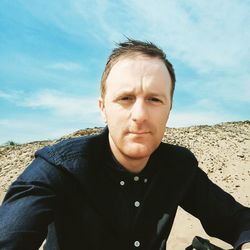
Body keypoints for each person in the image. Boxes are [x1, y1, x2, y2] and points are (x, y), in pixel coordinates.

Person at [0, 39, 250, 250]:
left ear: (169, 109)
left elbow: (237, 219)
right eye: (125, 98)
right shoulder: (59, 169)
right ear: (103, 109)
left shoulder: (178, 167)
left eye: (154, 99)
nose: (140, 114)